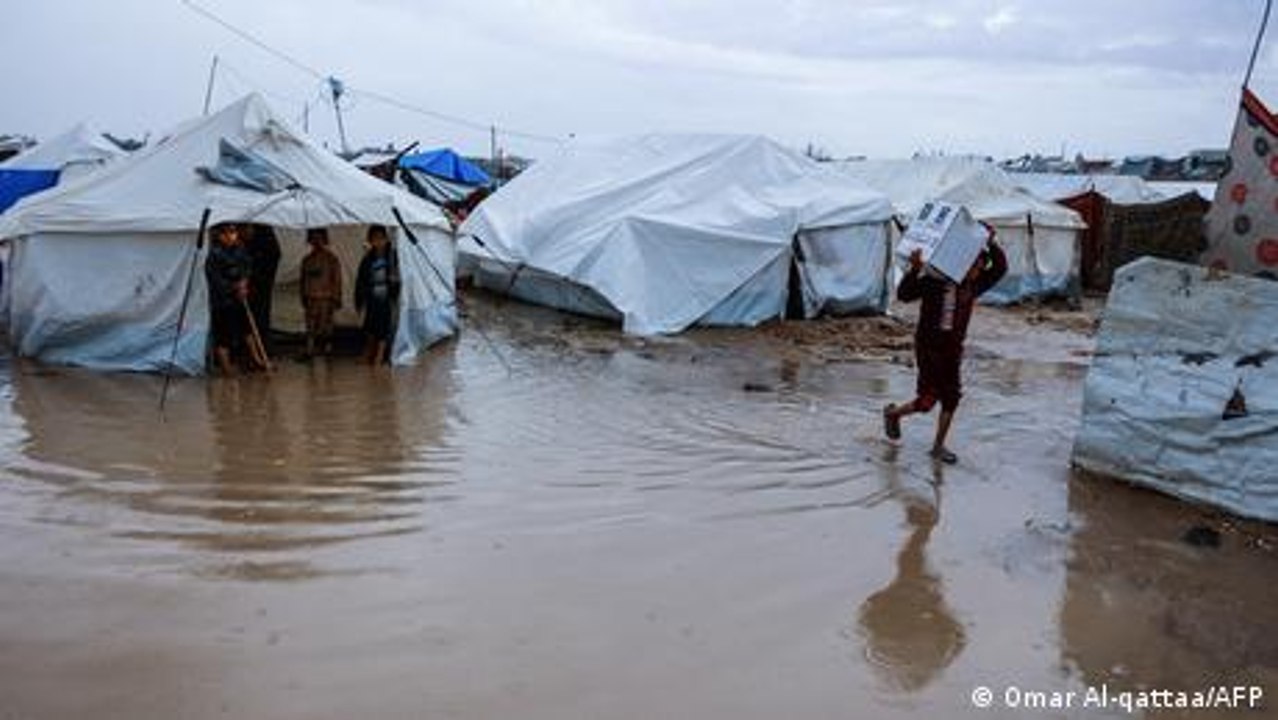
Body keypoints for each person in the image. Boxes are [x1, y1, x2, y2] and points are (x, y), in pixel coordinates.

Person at [883, 227, 1007, 464]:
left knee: (951, 397)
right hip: (928, 346)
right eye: (975, 265)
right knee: (927, 400)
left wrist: (991, 243)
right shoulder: (935, 281)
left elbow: (1000, 269)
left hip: (952, 349)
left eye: (980, 266)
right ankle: (893, 414)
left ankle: (938, 447)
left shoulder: (974, 286)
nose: (978, 270)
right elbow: (904, 295)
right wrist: (915, 268)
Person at [204, 223, 255, 375]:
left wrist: (244, 283)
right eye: (228, 233)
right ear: (220, 236)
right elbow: (215, 280)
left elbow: (247, 267)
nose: (232, 236)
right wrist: (234, 288)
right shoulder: (214, 254)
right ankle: (226, 368)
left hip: (239, 299)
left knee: (247, 329)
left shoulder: (239, 250)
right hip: (222, 302)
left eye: (234, 232)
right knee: (223, 335)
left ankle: (257, 359)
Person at [354, 225, 400, 365]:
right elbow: (361, 280)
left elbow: (400, 276)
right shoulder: (367, 259)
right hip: (372, 298)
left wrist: (395, 281)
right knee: (370, 327)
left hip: (387, 298)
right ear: (370, 240)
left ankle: (380, 355)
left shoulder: (393, 257)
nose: (378, 242)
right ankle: (368, 353)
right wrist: (359, 299)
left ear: (386, 239)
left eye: (381, 238)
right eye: (374, 239)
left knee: (384, 327)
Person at [299, 227, 343, 358]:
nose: (316, 241)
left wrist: (336, 297)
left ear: (324, 239)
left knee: (326, 326)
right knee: (310, 326)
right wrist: (303, 296)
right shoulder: (307, 260)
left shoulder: (332, 259)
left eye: (319, 238)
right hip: (311, 298)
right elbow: (303, 280)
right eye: (313, 238)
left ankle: (328, 348)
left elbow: (337, 279)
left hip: (326, 298)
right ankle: (310, 349)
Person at [245, 224, 281, 353]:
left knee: (258, 317)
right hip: (256, 285)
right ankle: (258, 351)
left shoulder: (262, 245)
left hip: (258, 285)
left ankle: (260, 351)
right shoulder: (259, 245)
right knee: (256, 318)